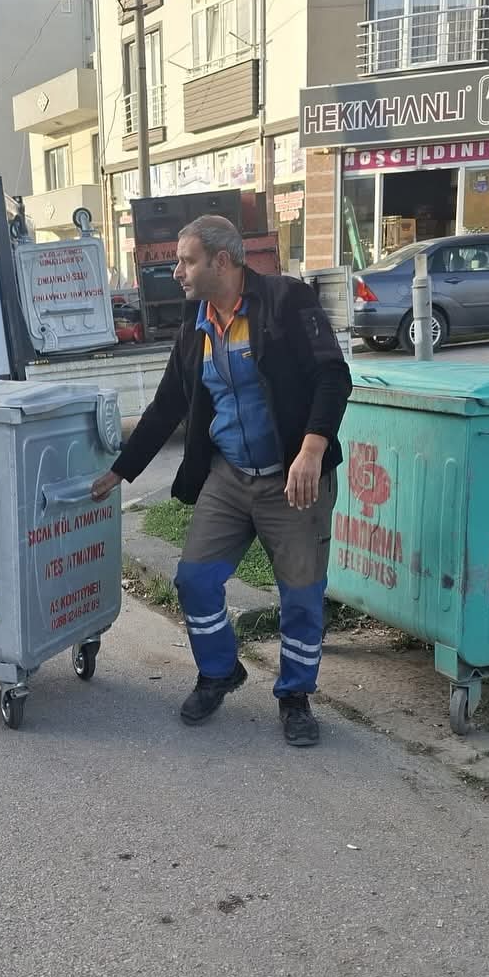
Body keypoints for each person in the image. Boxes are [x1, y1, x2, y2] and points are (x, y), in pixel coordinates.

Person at [92, 216, 352, 746]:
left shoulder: (285, 301)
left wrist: (311, 448)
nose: (177, 271)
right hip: (229, 477)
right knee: (195, 580)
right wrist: (121, 472)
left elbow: (333, 374)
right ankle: (219, 671)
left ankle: (296, 695)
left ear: (223, 261)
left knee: (301, 594)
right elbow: (168, 405)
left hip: (291, 481)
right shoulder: (196, 322)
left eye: (187, 260)